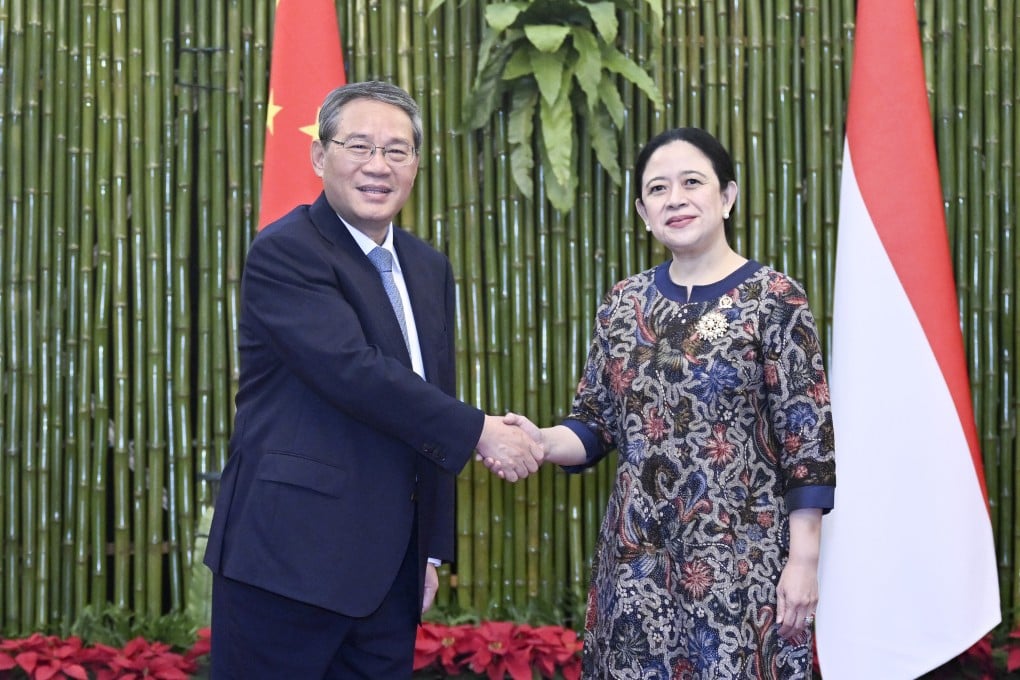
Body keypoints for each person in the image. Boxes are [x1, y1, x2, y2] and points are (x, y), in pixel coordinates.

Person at [203, 80, 542, 679]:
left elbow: (428, 402)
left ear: (416, 164)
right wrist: (482, 432)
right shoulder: (287, 251)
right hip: (287, 564)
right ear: (319, 156)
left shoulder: (428, 267)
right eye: (358, 146)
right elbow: (355, 373)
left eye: (397, 150)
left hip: (388, 575)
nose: (378, 166)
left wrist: (428, 550)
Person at [499, 127, 836, 678]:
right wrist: (538, 440)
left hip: (741, 567)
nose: (674, 199)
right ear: (643, 211)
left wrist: (803, 561)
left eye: (692, 182)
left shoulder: (775, 299)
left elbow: (808, 441)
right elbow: (594, 423)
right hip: (636, 568)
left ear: (727, 196)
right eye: (658, 189)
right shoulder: (623, 303)